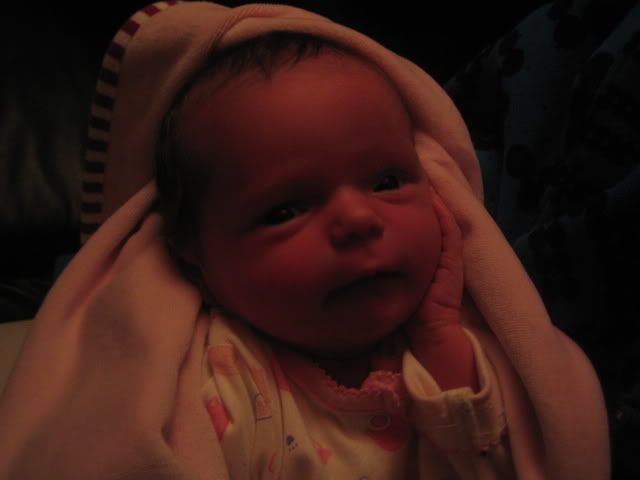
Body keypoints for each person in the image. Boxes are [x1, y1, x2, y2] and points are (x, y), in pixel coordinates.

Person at [0, 2, 609, 479]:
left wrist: (440, 337)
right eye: (285, 210)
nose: (358, 218)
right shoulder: (216, 385)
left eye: (388, 181)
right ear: (195, 255)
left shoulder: (460, 358)